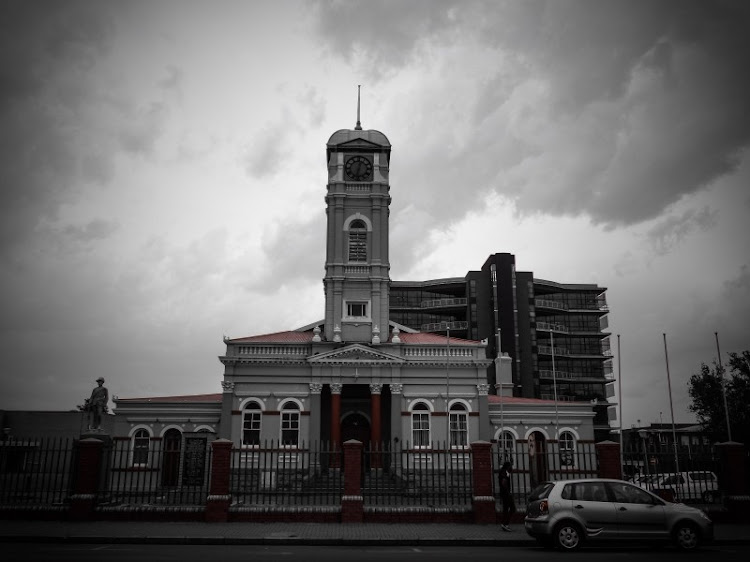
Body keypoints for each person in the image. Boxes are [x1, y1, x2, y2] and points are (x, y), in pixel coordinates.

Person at [499, 460, 516, 532]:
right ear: (507, 466)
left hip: (504, 494)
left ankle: (504, 523)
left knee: (505, 509)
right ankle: (505, 524)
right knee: (513, 508)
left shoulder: (503, 472)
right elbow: (504, 482)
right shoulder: (505, 472)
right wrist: (508, 493)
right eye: (510, 466)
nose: (511, 467)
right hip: (506, 494)